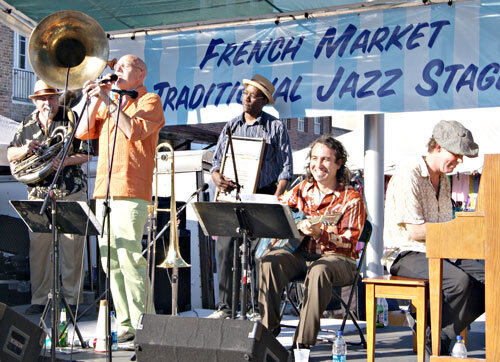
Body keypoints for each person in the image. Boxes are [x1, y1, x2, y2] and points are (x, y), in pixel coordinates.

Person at [76, 54, 165, 342]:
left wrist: (109, 100)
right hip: (104, 190)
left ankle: (145, 323)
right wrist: (93, 100)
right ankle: (126, 323)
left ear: (141, 73)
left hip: (130, 190)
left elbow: (133, 131)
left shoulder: (149, 100)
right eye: (115, 68)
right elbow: (81, 132)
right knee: (109, 261)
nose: (116, 72)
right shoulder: (110, 103)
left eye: (123, 67)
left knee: (129, 258)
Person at [383, 120, 484, 354]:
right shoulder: (410, 172)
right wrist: (460, 229)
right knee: (459, 281)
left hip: (440, 250)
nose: (460, 160)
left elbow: (445, 227)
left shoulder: (445, 180)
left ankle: (436, 334)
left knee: (491, 278)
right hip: (406, 253)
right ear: (437, 147)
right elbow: (416, 231)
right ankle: (437, 339)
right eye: (457, 154)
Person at [258, 135, 366, 347]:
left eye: (326, 159)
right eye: (315, 158)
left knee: (319, 270)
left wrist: (320, 233)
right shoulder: (301, 189)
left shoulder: (351, 198)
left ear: (338, 163)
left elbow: (349, 244)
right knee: (269, 262)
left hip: (338, 260)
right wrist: (292, 226)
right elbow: (275, 214)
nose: (318, 165)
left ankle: (302, 344)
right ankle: (268, 332)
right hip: (299, 255)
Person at [208, 74, 293, 319]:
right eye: (245, 92)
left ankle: (258, 309)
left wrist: (276, 197)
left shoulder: (275, 127)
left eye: (253, 94)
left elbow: (286, 167)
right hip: (232, 195)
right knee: (225, 249)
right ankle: (225, 307)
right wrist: (217, 178)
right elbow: (215, 163)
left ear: (263, 101)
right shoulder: (231, 126)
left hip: (262, 194)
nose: (247, 97)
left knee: (259, 254)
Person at [8, 80, 91, 315]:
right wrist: (26, 149)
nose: (48, 103)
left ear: (57, 98)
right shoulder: (27, 123)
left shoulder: (72, 117)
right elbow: (11, 153)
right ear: (36, 101)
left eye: (52, 98)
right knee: (39, 248)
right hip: (38, 192)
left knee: (72, 247)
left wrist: (65, 160)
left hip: (70, 190)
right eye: (43, 99)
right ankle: (40, 298)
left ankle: (73, 300)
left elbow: (87, 153)